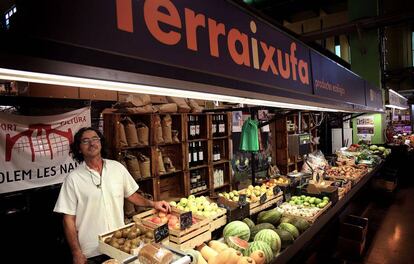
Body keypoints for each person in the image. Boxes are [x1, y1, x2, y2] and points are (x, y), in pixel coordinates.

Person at [54, 127, 170, 264]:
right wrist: (76, 252)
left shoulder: (117, 168)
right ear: (79, 148)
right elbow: (68, 220)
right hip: (92, 251)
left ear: (101, 143)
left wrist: (153, 203)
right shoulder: (73, 179)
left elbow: (131, 195)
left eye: (95, 139)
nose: (91, 143)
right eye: (85, 141)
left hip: (121, 246)